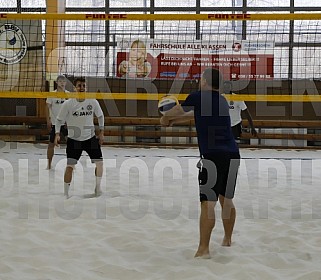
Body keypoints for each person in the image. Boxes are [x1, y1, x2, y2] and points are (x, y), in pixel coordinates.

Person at [160, 68, 240, 259]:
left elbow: (177, 110)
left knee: (208, 203)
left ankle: (204, 249)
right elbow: (193, 114)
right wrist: (172, 120)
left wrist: (165, 116)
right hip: (232, 154)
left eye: (200, 79)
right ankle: (227, 239)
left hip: (212, 156)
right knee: (226, 199)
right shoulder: (221, 100)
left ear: (204, 81)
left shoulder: (198, 96)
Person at [54, 77, 105, 198]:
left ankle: (97, 188)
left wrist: (101, 132)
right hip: (74, 140)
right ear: (74, 88)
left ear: (86, 87)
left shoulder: (92, 101)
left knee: (100, 163)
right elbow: (59, 120)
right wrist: (57, 134)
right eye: (79, 86)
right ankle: (66, 193)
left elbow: (101, 116)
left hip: (90, 138)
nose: (81, 88)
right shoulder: (68, 103)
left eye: (83, 86)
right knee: (70, 166)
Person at [46, 75, 69, 170]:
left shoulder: (69, 94)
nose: (62, 82)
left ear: (66, 82)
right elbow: (47, 107)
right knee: (51, 145)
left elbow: (71, 109)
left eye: (63, 81)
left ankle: (71, 164)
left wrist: (70, 121)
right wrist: (48, 120)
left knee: (71, 144)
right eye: (60, 81)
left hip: (66, 124)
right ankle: (49, 164)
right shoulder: (52, 94)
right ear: (56, 82)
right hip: (55, 123)